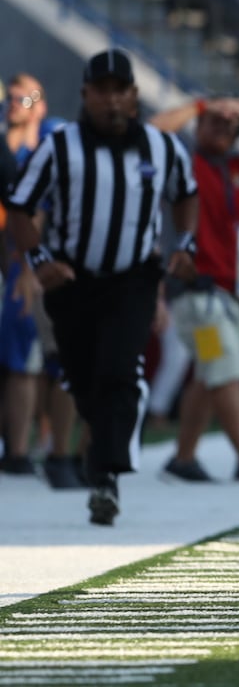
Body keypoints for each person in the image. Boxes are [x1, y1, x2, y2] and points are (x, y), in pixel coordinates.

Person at [4, 50, 199, 525]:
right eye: (102, 90)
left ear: (133, 96)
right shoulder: (60, 146)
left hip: (133, 277)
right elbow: (22, 207)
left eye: (120, 90)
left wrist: (186, 244)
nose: (111, 100)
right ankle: (85, 455)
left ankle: (106, 474)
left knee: (117, 370)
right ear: (85, 95)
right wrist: (40, 260)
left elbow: (186, 193)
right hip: (72, 277)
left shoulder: (161, 146)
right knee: (77, 377)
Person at [148, 96, 239, 484]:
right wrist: (201, 105)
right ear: (198, 128)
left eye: (228, 126)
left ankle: (183, 458)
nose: (221, 130)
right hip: (197, 292)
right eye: (213, 124)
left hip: (232, 290)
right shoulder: (185, 164)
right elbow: (153, 130)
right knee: (226, 370)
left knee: (208, 373)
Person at [1, 72, 82, 488]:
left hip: (40, 264)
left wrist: (29, 265)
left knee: (42, 361)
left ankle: (47, 447)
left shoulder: (52, 143)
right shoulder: (6, 145)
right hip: (15, 262)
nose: (15, 104)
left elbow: (34, 211)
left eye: (24, 98)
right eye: (10, 97)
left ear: (42, 103)